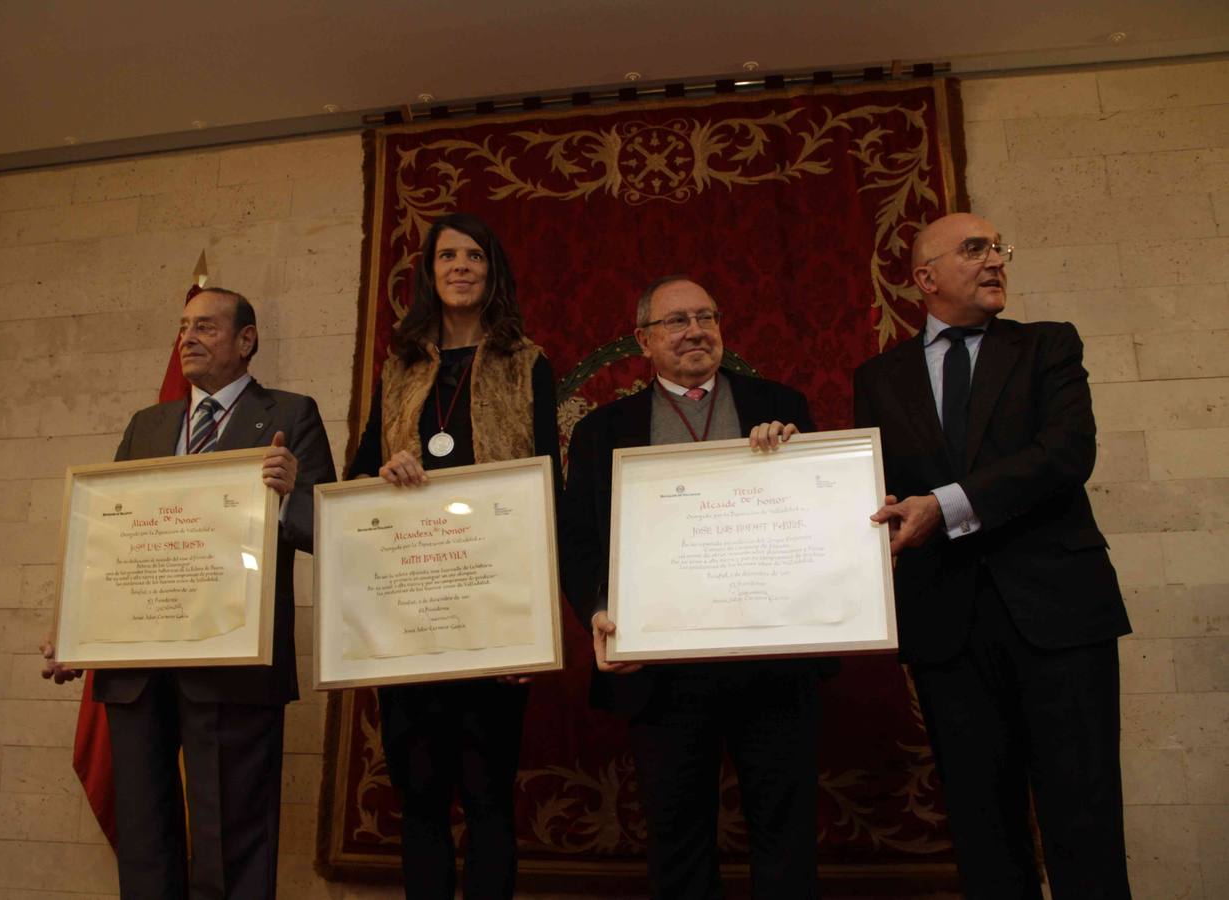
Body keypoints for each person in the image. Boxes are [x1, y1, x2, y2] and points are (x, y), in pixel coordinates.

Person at [853, 213, 1132, 899]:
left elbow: (1067, 454)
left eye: (999, 248)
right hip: (947, 627)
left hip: (1059, 617)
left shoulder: (1046, 347)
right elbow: (869, 484)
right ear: (925, 278)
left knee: (1084, 819)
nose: (995, 260)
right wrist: (791, 463)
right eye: (974, 249)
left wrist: (944, 505)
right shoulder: (878, 377)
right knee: (983, 830)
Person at [41, 287, 336, 899]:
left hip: (233, 664)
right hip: (137, 667)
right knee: (145, 846)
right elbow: (108, 538)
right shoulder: (146, 424)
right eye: (183, 328)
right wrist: (70, 625)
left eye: (206, 326)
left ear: (246, 341)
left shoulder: (289, 414)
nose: (189, 338)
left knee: (231, 851)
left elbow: (328, 527)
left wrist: (286, 495)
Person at [560, 275, 824, 899]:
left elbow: (820, 513)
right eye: (677, 321)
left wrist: (796, 460)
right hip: (662, 673)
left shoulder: (781, 407)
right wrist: (602, 609)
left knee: (786, 840)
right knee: (677, 843)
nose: (696, 331)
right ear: (643, 341)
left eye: (706, 317)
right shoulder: (601, 432)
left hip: (772, 663)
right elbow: (578, 541)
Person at [346, 212, 561, 899]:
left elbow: (548, 486)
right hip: (411, 615)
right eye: (447, 256)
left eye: (473, 255)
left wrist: (538, 622)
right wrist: (383, 476)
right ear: (429, 274)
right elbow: (355, 482)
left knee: (490, 798)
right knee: (422, 800)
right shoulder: (400, 366)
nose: (460, 266)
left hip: (495, 608)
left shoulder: (528, 362)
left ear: (491, 270)